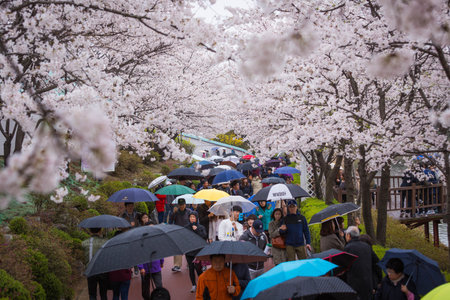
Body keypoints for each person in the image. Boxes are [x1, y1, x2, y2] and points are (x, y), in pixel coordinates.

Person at [344, 226, 379, 300]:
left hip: (354, 285)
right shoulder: (366, 246)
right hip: (367, 283)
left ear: (348, 235)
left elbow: (344, 266)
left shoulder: (348, 248)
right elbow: (376, 262)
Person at [82, 228, 108, 300]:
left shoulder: (85, 243)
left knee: (92, 294)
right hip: (103, 270)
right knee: (103, 293)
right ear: (100, 231)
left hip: (90, 270)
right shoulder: (105, 241)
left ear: (90, 231)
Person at [185, 211, 207, 293]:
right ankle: (193, 285)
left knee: (198, 268)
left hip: (198, 251)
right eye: (191, 217)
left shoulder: (201, 227)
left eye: (194, 217)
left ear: (197, 218)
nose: (192, 219)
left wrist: (197, 230)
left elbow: (204, 237)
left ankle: (202, 283)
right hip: (189, 251)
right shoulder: (186, 227)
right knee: (191, 269)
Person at [169, 198, 191, 272]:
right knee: (178, 249)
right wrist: (173, 213)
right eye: (180, 205)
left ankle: (190, 263)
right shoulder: (175, 212)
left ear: (185, 204)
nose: (182, 206)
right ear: (178, 205)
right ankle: (177, 265)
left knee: (189, 249)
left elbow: (193, 220)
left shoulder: (189, 211)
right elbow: (170, 221)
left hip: (188, 232)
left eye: (183, 205)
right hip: (178, 232)